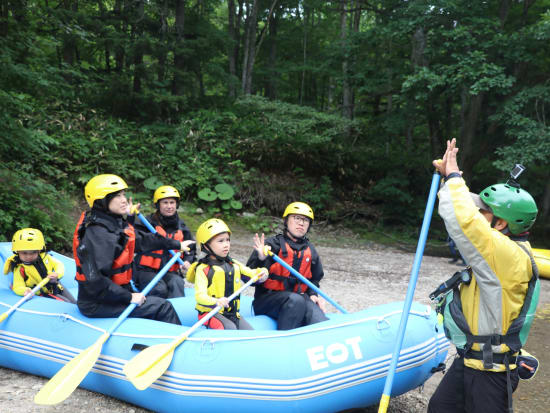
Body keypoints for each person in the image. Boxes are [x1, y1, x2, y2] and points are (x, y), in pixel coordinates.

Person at [428, 139, 540, 413]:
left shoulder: (506, 255)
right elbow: (463, 208)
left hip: (492, 371)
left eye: (484, 213)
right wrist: (449, 181)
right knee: (439, 408)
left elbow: (463, 220)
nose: (478, 214)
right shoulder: (500, 245)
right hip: (469, 360)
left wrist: (453, 177)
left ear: (501, 223)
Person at [73, 174, 195, 325]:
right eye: (117, 196)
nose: (124, 199)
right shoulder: (99, 235)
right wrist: (129, 297)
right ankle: (174, 345)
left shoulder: (112, 225)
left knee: (161, 295)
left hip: (112, 295)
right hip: (98, 303)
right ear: (102, 201)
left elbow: (143, 240)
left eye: (123, 194)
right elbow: (94, 281)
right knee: (163, 307)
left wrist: (178, 245)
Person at [246, 202, 329, 330]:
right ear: (286, 221)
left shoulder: (310, 251)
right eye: (297, 218)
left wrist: (313, 294)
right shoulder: (271, 246)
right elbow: (248, 278)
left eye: (305, 220)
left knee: (319, 320)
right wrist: (261, 259)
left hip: (299, 298)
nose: (301, 223)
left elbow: (314, 279)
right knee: (295, 301)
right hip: (267, 300)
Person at [187, 218, 268, 330]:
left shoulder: (233, 264)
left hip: (231, 312)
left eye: (227, 240)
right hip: (210, 312)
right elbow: (200, 296)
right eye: (220, 241)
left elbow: (251, 274)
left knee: (250, 332)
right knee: (229, 328)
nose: (226, 245)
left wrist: (262, 272)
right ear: (205, 246)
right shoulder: (203, 269)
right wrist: (216, 301)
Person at [133, 185, 196, 298]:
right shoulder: (146, 223)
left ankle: (177, 314)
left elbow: (190, 250)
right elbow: (135, 241)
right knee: (159, 289)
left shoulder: (181, 227)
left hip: (169, 272)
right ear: (158, 205)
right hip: (145, 271)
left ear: (177, 204)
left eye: (172, 202)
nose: (169, 206)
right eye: (165, 203)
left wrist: (187, 261)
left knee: (177, 283)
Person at [3, 228, 76, 303]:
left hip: (55, 285)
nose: (29, 256)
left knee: (74, 302)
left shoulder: (45, 257)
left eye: (33, 252)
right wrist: (24, 290)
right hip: (42, 292)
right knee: (67, 303)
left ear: (39, 250)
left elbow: (59, 265)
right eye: (24, 253)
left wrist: (57, 274)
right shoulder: (20, 268)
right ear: (17, 252)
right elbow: (18, 286)